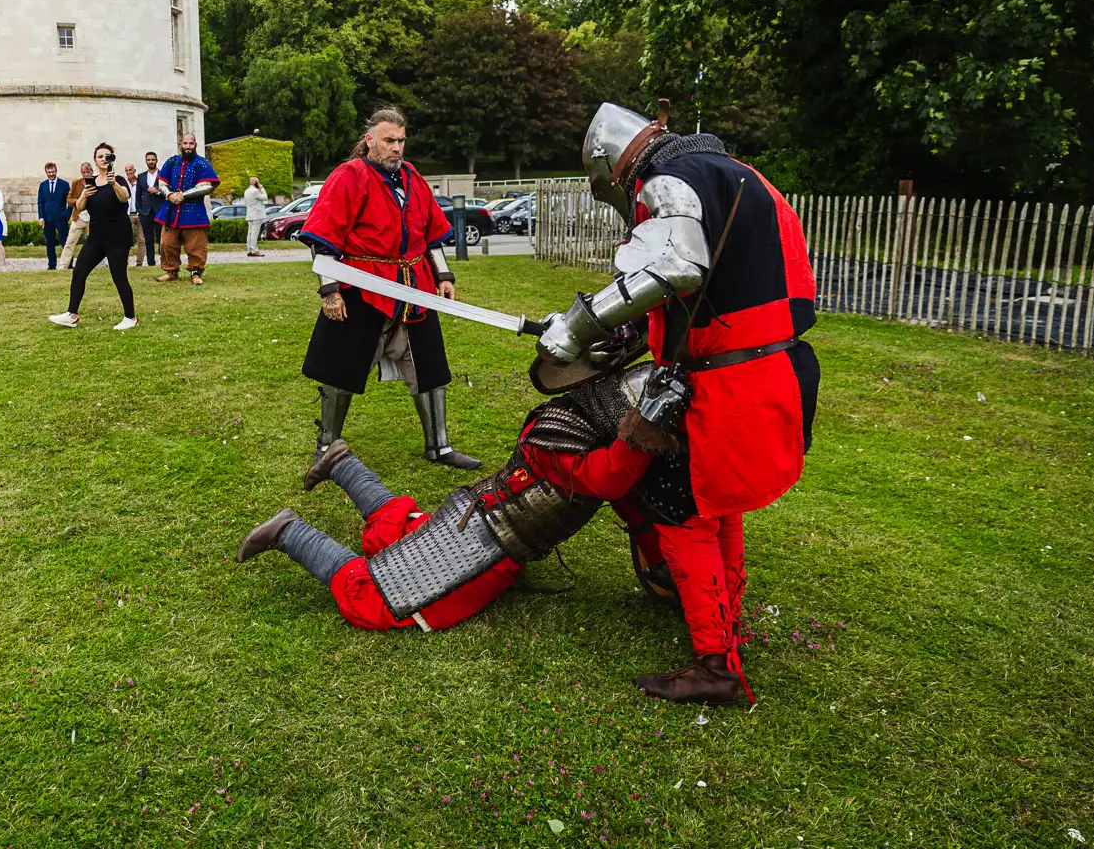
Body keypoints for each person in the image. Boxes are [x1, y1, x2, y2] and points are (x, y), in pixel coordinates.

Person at [534, 101, 820, 705]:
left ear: (613, 163)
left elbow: (678, 266)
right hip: (776, 367)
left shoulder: (669, 178)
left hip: (729, 382)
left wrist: (577, 329)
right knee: (720, 504)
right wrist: (632, 336)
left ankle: (714, 664)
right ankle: (724, 627)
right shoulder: (743, 176)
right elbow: (717, 287)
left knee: (680, 510)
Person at [238, 361, 664, 632]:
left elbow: (629, 501)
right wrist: (642, 437)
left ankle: (342, 463)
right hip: (486, 543)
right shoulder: (567, 445)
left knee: (401, 533)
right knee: (377, 600)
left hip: (478, 521)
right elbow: (610, 480)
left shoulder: (576, 424)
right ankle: (288, 532)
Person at [299, 107, 478, 470]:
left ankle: (439, 446)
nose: (397, 148)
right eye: (389, 141)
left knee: (430, 366)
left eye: (401, 141)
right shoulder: (348, 176)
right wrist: (330, 290)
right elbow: (322, 238)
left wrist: (443, 276)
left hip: (415, 288)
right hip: (362, 286)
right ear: (370, 141)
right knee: (341, 368)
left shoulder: (412, 177)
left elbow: (432, 235)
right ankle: (326, 446)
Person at [48, 142, 139, 331]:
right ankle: (71, 314)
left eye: (107, 156)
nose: (103, 160)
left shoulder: (119, 179)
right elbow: (80, 207)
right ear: (95, 161)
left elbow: (125, 197)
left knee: (119, 276)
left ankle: (130, 317)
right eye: (100, 157)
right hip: (97, 237)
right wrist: (84, 196)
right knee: (79, 271)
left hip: (118, 237)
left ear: (112, 159)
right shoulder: (90, 182)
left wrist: (113, 183)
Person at [154, 133, 218, 285]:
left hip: (194, 212)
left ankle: (195, 273)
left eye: (191, 143)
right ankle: (171, 271)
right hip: (171, 210)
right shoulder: (172, 162)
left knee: (196, 245)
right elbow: (161, 183)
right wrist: (169, 194)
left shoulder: (202, 163)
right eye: (185, 143)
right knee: (167, 244)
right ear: (180, 144)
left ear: (195, 145)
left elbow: (208, 186)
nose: (188, 146)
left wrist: (184, 195)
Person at [58, 162, 95, 270]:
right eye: (84, 172)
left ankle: (97, 264)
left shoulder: (96, 182)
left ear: (92, 171)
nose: (86, 174)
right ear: (81, 172)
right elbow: (69, 199)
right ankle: (62, 265)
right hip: (78, 217)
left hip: (93, 218)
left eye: (88, 171)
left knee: (95, 243)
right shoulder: (76, 184)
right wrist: (78, 201)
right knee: (70, 242)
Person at [36, 162, 71, 270]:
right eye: (49, 172)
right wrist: (41, 217)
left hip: (61, 218)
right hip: (47, 219)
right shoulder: (43, 185)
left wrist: (67, 214)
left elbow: (69, 201)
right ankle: (51, 265)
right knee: (49, 242)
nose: (51, 174)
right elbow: (40, 202)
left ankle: (68, 264)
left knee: (65, 241)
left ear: (56, 171)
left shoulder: (64, 184)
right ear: (46, 172)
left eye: (53, 172)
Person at [133, 151, 164, 267]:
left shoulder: (163, 175)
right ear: (146, 161)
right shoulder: (141, 176)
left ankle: (164, 262)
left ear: (156, 160)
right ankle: (151, 263)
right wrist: (139, 210)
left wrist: (158, 190)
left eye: (153, 159)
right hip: (145, 213)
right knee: (148, 240)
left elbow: (169, 190)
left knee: (162, 239)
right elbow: (137, 195)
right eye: (148, 160)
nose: (151, 162)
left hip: (160, 211)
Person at [121, 163, 145, 267]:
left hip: (140, 213)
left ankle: (139, 263)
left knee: (141, 239)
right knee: (125, 239)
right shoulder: (124, 184)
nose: (128, 172)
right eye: (126, 170)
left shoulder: (140, 182)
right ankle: (124, 262)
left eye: (130, 170)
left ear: (134, 170)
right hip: (128, 214)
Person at [244, 176, 268, 256]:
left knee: (250, 233)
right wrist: (262, 188)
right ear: (256, 183)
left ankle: (249, 250)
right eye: (258, 182)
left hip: (250, 214)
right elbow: (265, 197)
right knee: (254, 233)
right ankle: (254, 250)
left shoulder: (247, 191)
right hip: (256, 214)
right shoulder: (255, 191)